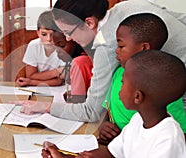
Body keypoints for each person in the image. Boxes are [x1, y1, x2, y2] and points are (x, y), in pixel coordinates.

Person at [18, 0, 186, 122]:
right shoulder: (126, 6)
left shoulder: (106, 45)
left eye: (69, 31)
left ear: (89, 22)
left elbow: (91, 112)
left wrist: (45, 107)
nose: (68, 38)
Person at [41, 50, 186, 158]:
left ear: (137, 96)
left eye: (123, 83)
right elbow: (112, 153)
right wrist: (67, 156)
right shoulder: (138, 120)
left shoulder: (167, 139)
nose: (119, 88)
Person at [98, 13, 186, 145]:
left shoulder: (163, 84)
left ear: (144, 48)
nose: (116, 51)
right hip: (117, 145)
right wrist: (104, 126)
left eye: (121, 46)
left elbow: (181, 135)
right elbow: (108, 108)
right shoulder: (118, 73)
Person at [16, 10, 65, 87]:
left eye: (52, 34)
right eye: (44, 34)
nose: (49, 39)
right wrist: (55, 72)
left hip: (59, 89)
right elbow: (30, 76)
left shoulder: (64, 48)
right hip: (36, 88)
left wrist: (32, 81)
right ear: (38, 33)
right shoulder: (33, 45)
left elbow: (59, 81)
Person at [52, 26, 93, 103]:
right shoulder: (87, 57)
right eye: (56, 47)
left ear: (75, 42)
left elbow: (77, 102)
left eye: (62, 46)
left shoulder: (79, 62)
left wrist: (71, 99)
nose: (58, 51)